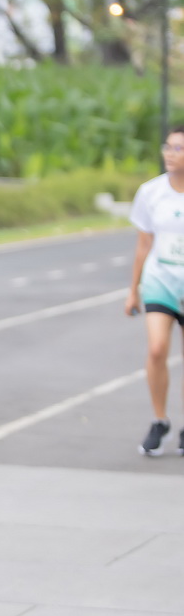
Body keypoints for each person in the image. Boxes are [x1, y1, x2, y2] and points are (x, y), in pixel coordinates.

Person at [125, 123, 184, 457]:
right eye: (168, 147)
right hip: (160, 279)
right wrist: (133, 290)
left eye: (178, 148)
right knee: (158, 348)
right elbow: (143, 245)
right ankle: (159, 420)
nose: (170, 154)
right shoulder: (151, 192)